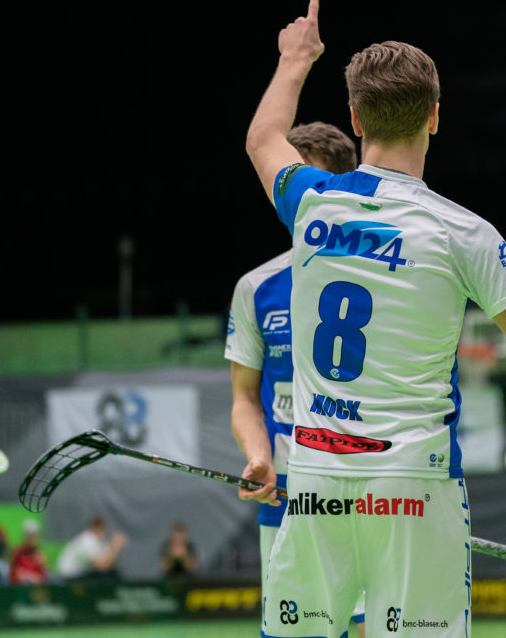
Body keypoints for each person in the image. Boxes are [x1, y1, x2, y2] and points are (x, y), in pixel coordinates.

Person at [244, 0, 506, 637]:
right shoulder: (464, 232)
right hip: (414, 486)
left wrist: (296, 58)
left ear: (354, 117)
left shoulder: (312, 201)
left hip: (317, 477)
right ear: (435, 116)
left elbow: (264, 137)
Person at [225, 121, 363, 630]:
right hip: (287, 497)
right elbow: (245, 399)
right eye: (288, 183)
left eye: (314, 184)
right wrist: (258, 456)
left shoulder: (391, 274)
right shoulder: (255, 288)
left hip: (371, 493)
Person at [55, 515, 126, 581]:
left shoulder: (101, 541)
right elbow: (103, 567)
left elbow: (110, 565)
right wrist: (115, 547)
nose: (104, 531)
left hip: (82, 574)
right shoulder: (87, 540)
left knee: (113, 573)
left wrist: (113, 548)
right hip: (69, 576)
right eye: (102, 528)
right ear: (95, 527)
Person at [9, 518, 49, 585]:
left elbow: (44, 578)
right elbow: (14, 574)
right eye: (29, 536)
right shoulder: (17, 552)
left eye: (34, 536)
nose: (32, 539)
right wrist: (29, 577)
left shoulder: (40, 556)